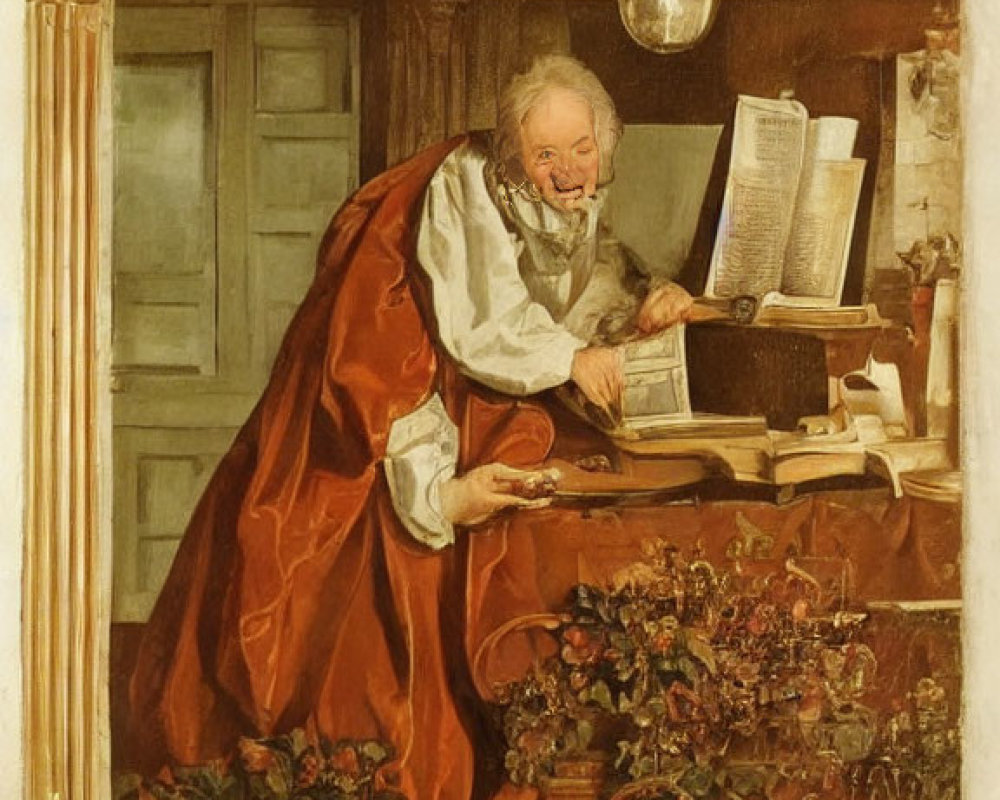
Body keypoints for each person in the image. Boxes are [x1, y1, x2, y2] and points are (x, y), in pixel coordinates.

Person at [127, 55, 691, 799]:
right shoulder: (461, 196)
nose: (567, 172)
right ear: (514, 157)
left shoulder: (563, 196)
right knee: (353, 640)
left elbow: (569, 291)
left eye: (581, 150)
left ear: (605, 144)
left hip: (443, 383)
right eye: (546, 155)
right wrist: (443, 497)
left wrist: (645, 304)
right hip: (369, 402)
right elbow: (412, 363)